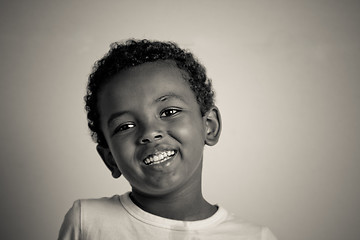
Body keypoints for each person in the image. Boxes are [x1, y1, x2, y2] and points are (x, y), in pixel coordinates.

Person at [58, 39, 278, 239]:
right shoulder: (86, 222)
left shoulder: (256, 237)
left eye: (169, 112)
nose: (149, 133)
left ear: (209, 126)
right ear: (110, 159)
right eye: (125, 126)